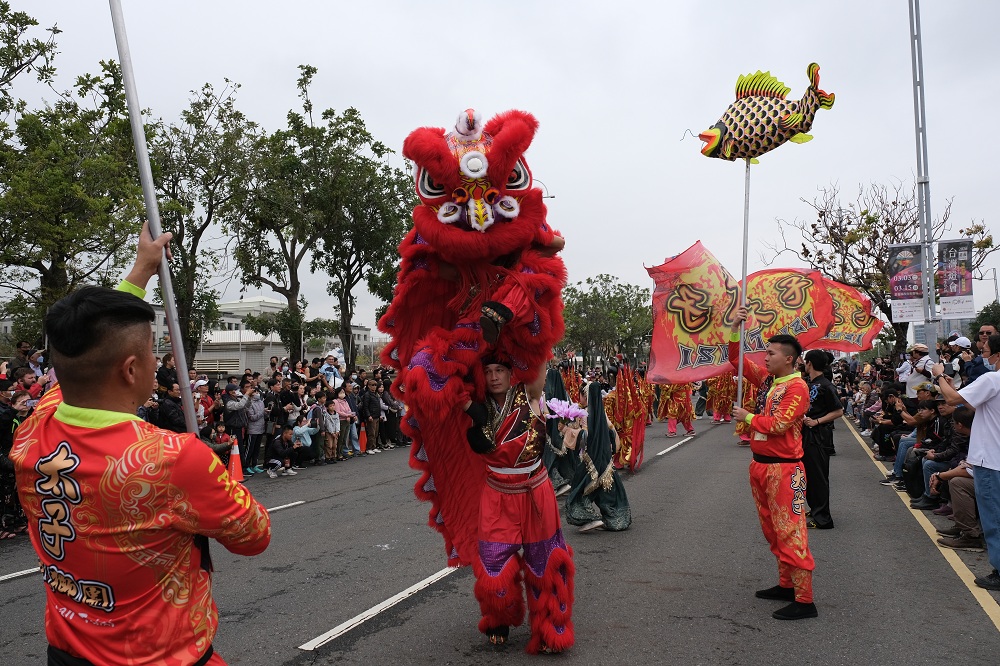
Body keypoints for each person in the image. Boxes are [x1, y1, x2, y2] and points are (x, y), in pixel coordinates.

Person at [9, 223, 270, 664]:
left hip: (67, 651)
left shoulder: (34, 426)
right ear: (131, 369)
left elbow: (87, 343)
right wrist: (212, 472)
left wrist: (141, 271)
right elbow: (254, 535)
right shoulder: (173, 458)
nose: (157, 361)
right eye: (153, 350)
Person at [463, 357, 575, 653]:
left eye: (499, 370)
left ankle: (551, 629)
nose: (494, 377)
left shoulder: (530, 394)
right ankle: (499, 619)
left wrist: (536, 331)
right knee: (493, 560)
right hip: (497, 494)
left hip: (535, 492)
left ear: (511, 372)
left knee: (545, 559)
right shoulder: (475, 405)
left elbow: (538, 355)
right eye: (488, 372)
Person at [730, 307, 817, 621]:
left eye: (770, 353)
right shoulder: (769, 381)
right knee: (772, 530)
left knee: (791, 532)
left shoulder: (797, 387)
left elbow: (780, 424)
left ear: (789, 359)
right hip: (761, 465)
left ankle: (805, 600)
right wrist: (735, 328)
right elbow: (736, 360)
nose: (765, 357)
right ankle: (786, 585)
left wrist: (748, 417)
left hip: (785, 469)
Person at [934, 336, 1000, 590]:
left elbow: (952, 401)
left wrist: (940, 375)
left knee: (993, 518)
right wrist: (952, 387)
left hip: (990, 459)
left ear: (997, 355)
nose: (983, 355)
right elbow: (964, 400)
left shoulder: (992, 379)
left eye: (985, 351)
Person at [563, 381, 632, 532]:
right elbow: (611, 432)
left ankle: (589, 517)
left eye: (581, 395)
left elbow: (585, 436)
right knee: (608, 490)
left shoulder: (586, 414)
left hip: (591, 457)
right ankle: (613, 517)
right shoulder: (601, 412)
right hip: (604, 457)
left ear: (585, 396)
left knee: (581, 488)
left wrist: (566, 430)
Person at [801, 350, 842, 530]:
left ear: (809, 363)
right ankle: (815, 509)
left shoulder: (826, 385)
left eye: (805, 361)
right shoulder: (810, 383)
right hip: (808, 434)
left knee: (818, 477)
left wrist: (816, 421)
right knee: (810, 475)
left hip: (819, 435)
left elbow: (838, 411)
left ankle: (823, 519)